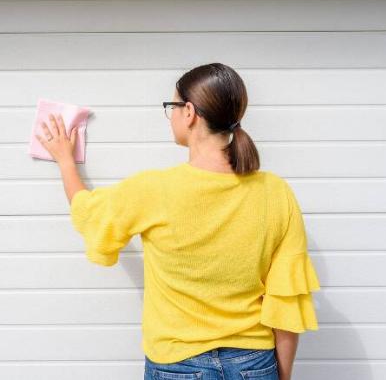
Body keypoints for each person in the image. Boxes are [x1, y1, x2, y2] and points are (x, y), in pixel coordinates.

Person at [36, 62, 320, 380]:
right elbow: (285, 302)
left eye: (171, 106)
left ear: (189, 112)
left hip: (178, 365)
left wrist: (64, 160)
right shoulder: (276, 193)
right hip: (254, 365)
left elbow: (89, 213)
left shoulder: (154, 190)